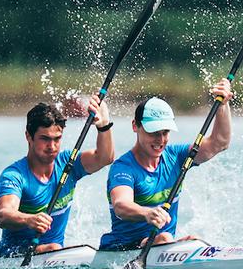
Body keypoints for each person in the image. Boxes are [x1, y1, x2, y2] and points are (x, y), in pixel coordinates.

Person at [99, 80, 233, 251]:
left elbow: (219, 143)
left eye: (165, 132)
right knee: (165, 237)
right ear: (135, 126)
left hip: (161, 244)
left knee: (195, 240)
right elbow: (121, 206)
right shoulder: (123, 168)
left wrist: (223, 104)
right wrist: (147, 213)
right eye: (153, 133)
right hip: (123, 248)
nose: (160, 140)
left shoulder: (177, 157)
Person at [0, 95, 114, 256]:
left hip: (53, 254)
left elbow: (104, 158)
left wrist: (103, 126)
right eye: (45, 139)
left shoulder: (68, 164)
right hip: (15, 254)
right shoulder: (14, 176)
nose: (52, 146)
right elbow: (4, 215)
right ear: (28, 136)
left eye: (57, 139)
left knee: (57, 248)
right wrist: (30, 219)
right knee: (54, 248)